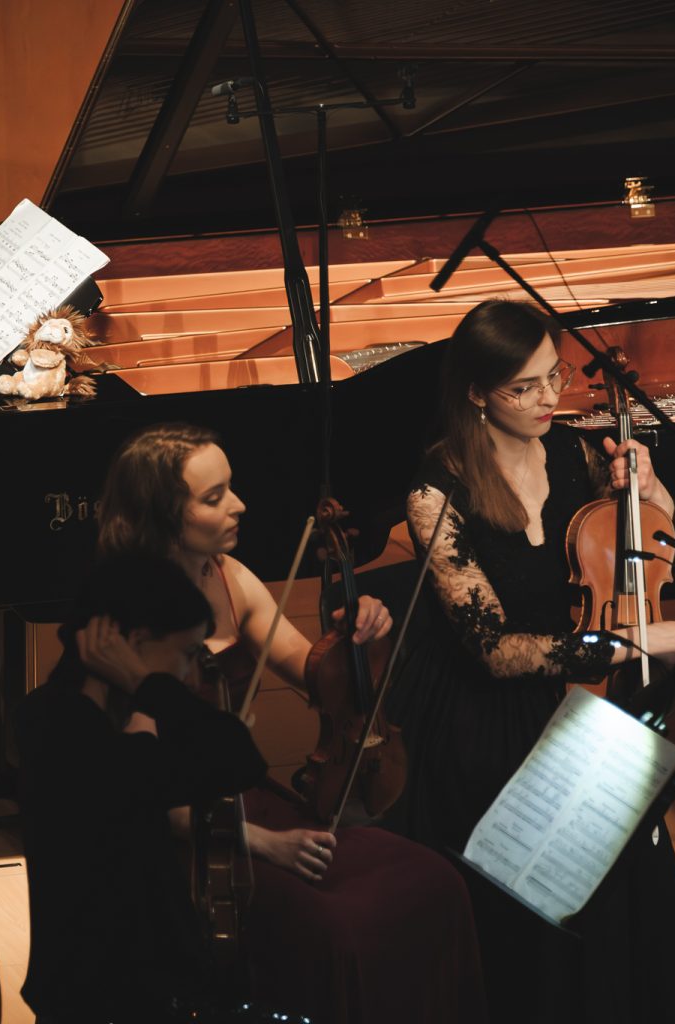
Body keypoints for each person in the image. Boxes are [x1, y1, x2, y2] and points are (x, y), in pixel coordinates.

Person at [97, 423, 488, 1024]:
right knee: (336, 927)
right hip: (180, 836)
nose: (239, 505)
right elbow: (141, 793)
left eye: (232, 487)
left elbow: (318, 677)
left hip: (242, 801)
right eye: (214, 497)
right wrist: (266, 843)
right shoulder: (126, 621)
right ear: (162, 517)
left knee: (435, 883)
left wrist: (358, 632)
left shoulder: (228, 576)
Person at [394, 298, 675, 1022]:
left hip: (580, 696)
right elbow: (495, 652)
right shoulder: (436, 494)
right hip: (486, 722)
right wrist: (629, 643)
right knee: (537, 923)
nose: (547, 398)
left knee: (627, 873)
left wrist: (653, 491)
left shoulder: (575, 456)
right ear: (477, 393)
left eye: (554, 376)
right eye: (523, 387)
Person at [16, 554, 266, 1023]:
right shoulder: (87, 744)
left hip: (96, 994)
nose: (190, 676)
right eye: (187, 654)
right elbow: (240, 759)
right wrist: (141, 679)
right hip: (120, 1003)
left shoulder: (51, 716)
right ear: (133, 643)